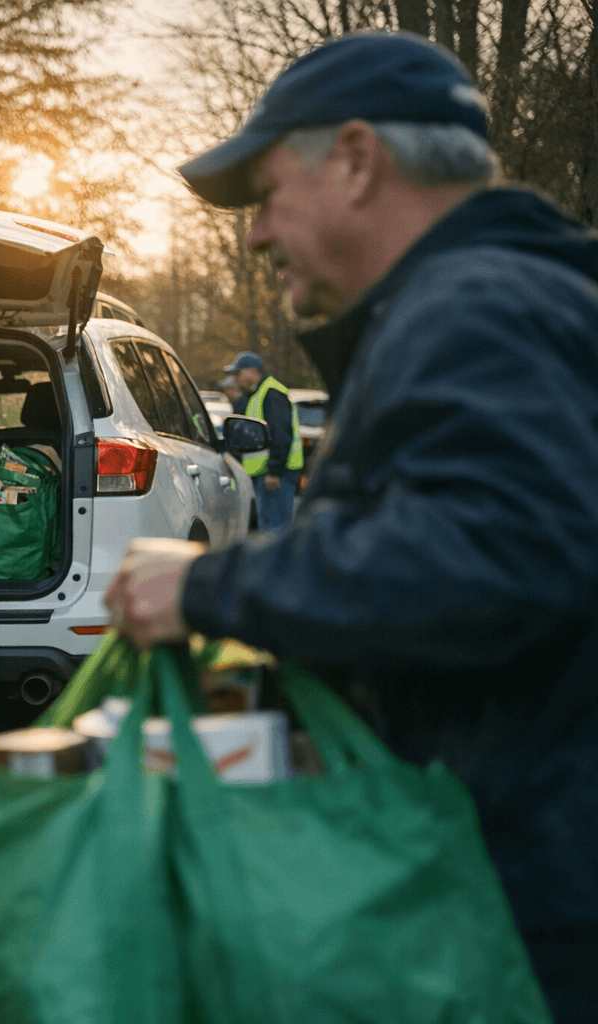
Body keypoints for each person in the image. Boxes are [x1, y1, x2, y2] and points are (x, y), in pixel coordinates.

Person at [104, 31, 598, 1021]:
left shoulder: (475, 306)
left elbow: (497, 557)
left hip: (531, 921)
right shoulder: (506, 298)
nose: (253, 233)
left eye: (267, 190)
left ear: (360, 160)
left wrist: (208, 587)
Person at [223, 350, 303, 530]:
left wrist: (274, 471)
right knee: (270, 526)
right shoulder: (257, 394)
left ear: (253, 371)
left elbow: (281, 433)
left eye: (238, 373)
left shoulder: (271, 393)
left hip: (276, 477)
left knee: (274, 530)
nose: (235, 379)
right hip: (267, 475)